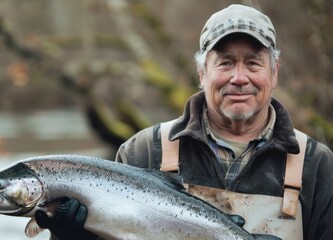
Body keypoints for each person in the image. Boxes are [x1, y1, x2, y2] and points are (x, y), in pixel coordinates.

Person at [35, 4, 333, 240]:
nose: (239, 78)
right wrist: (70, 237)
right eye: (225, 62)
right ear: (202, 72)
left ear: (275, 72)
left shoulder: (316, 164)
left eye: (253, 63)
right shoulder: (144, 151)